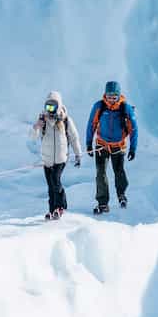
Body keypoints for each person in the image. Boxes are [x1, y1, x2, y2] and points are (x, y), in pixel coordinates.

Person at [85, 80, 138, 214]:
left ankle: (121, 194)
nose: (112, 99)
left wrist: (133, 148)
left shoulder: (125, 108)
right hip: (101, 145)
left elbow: (134, 129)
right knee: (100, 174)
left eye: (114, 96)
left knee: (119, 171)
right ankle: (103, 202)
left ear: (119, 95)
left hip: (118, 146)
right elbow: (91, 124)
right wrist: (88, 143)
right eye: (109, 96)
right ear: (105, 95)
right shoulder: (99, 106)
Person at [30, 90, 83, 219]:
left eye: (52, 106)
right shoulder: (43, 120)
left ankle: (60, 206)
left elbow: (74, 137)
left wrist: (78, 154)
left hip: (60, 158)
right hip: (47, 159)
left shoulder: (65, 120)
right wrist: (36, 126)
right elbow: (32, 137)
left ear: (58, 105)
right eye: (48, 106)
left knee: (55, 181)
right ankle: (52, 209)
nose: (50, 109)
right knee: (50, 186)